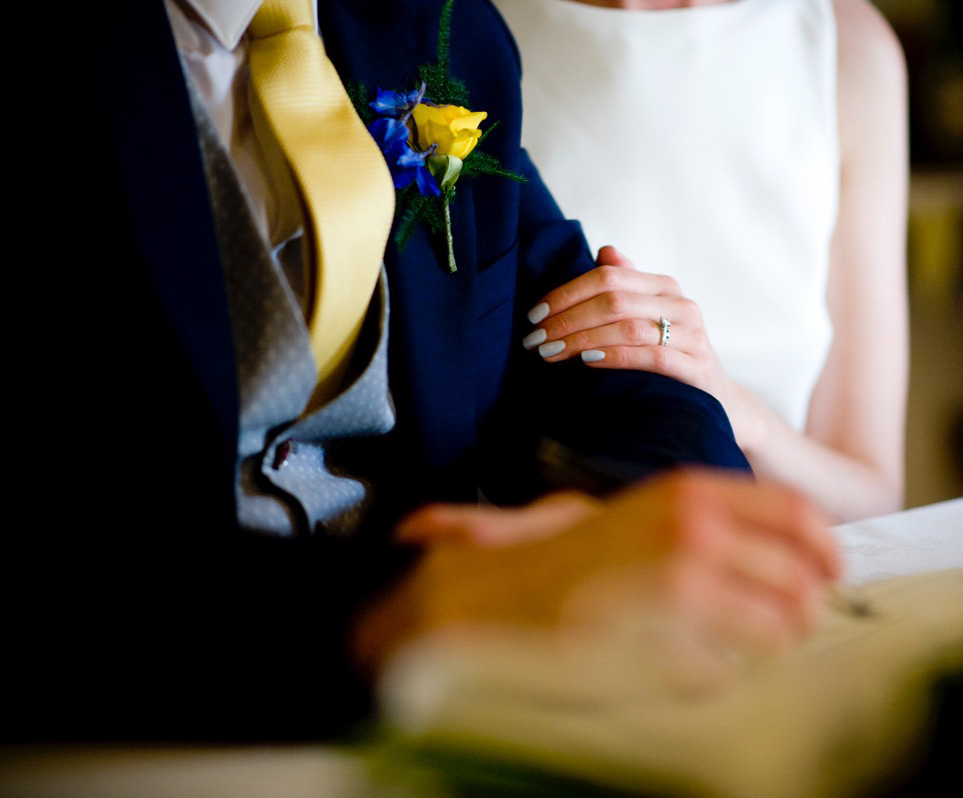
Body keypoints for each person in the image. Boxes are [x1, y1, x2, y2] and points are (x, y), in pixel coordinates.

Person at [3, 0, 840, 743]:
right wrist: (407, 601)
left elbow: (604, 356)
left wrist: (660, 521)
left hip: (443, 722)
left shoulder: (442, 29)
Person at [495, 0, 910, 521]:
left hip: (775, 561)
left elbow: (874, 497)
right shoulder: (455, 26)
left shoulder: (846, 44)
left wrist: (734, 408)